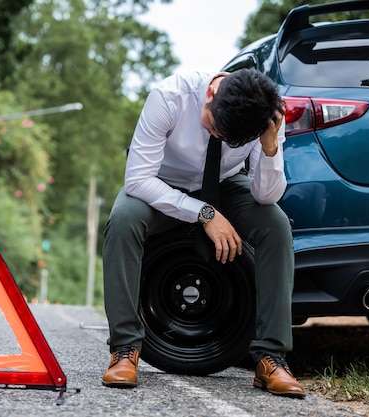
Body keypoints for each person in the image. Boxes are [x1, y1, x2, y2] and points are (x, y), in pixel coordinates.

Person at [101, 68, 305, 398]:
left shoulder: (265, 116)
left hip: (225, 186)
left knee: (276, 225)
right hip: (162, 185)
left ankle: (271, 357)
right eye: (213, 128)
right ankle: (124, 350)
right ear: (211, 93)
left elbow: (266, 196)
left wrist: (269, 148)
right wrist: (204, 213)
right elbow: (138, 180)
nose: (219, 138)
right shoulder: (169, 97)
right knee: (124, 218)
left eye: (230, 139)